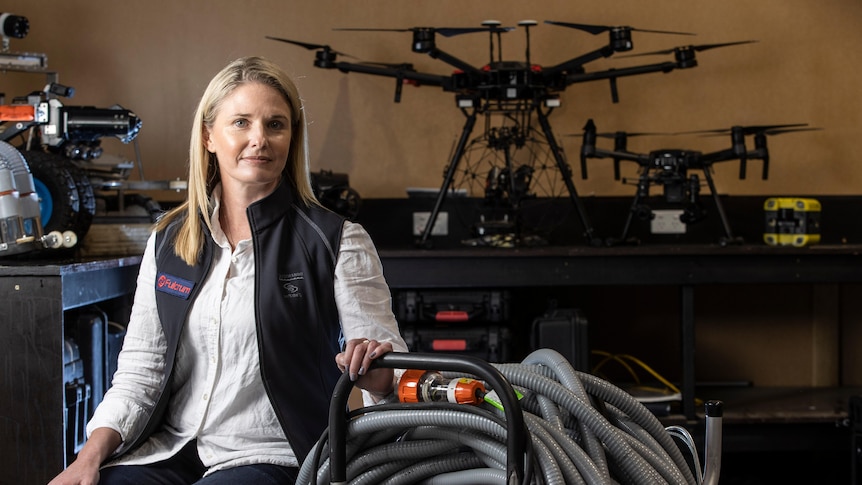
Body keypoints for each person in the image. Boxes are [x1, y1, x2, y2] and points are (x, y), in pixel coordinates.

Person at [49, 56, 408, 485]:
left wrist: (378, 376)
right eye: (241, 122)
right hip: (173, 448)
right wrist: (87, 458)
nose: (260, 139)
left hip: (280, 454)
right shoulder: (170, 240)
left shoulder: (337, 240)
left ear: (292, 138)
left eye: (276, 125)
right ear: (208, 136)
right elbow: (141, 369)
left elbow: (394, 370)